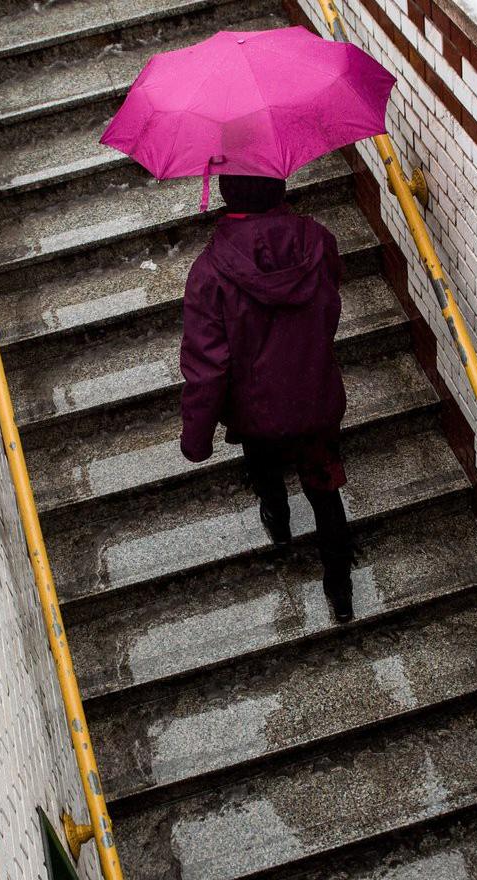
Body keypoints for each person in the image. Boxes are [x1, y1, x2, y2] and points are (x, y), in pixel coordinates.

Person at [178, 173, 354, 622]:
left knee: (265, 470)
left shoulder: (210, 272)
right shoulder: (319, 240)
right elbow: (331, 299)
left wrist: (196, 438)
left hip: (256, 414)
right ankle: (341, 593)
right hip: (315, 401)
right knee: (325, 492)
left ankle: (278, 524)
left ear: (225, 192)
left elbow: (207, 366)